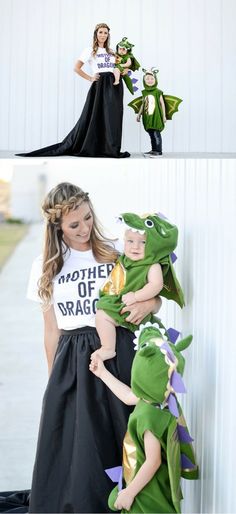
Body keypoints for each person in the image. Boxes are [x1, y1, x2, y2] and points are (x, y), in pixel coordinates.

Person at [25, 182, 161, 513]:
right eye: (74, 225)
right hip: (73, 358)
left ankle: (131, 501)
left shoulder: (117, 252)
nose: (84, 228)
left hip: (118, 349)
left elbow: (152, 298)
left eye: (88, 218)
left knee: (123, 433)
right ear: (57, 226)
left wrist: (151, 304)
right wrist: (53, 381)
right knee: (82, 447)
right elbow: (51, 329)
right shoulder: (45, 266)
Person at [89, 323, 198, 513]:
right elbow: (129, 396)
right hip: (143, 487)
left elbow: (153, 461)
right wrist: (103, 374)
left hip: (146, 496)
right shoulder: (153, 402)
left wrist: (129, 493)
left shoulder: (149, 417)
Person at [16, 23, 130, 158]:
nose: (103, 35)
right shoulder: (89, 50)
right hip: (99, 85)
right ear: (96, 34)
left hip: (114, 85)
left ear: (108, 35)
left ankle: (110, 148)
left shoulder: (111, 52)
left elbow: (118, 67)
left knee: (112, 117)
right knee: (94, 116)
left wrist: (124, 71)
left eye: (105, 33)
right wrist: (90, 78)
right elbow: (76, 68)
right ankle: (93, 147)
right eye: (100, 32)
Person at [92, 211, 185, 364]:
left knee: (102, 315)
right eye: (130, 241)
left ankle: (108, 348)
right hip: (121, 303)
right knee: (102, 313)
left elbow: (156, 285)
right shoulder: (124, 259)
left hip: (130, 307)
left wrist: (136, 296)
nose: (136, 247)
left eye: (143, 242)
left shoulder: (151, 264)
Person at [128, 68, 182, 158]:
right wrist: (139, 114)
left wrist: (164, 116)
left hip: (156, 116)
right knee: (151, 133)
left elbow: (162, 104)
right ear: (144, 81)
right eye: (147, 79)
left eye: (152, 79)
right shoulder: (144, 92)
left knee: (156, 133)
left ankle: (158, 151)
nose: (150, 81)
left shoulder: (158, 92)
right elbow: (143, 104)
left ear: (155, 80)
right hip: (147, 116)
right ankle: (153, 150)